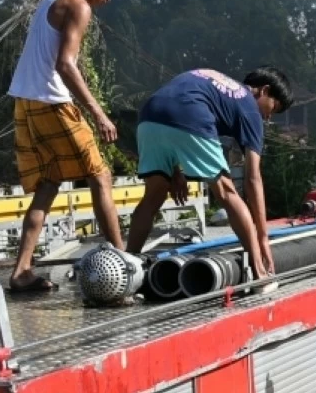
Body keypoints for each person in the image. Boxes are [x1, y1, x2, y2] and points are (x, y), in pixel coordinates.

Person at [7, 0, 136, 292]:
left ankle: (21, 271)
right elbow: (65, 64)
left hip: (25, 102)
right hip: (51, 102)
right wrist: (99, 114)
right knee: (100, 175)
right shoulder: (78, 4)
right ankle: (123, 265)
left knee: (48, 185)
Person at [124, 67, 294, 288]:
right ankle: (260, 274)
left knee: (153, 197)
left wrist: (175, 171)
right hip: (190, 116)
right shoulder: (250, 108)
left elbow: (173, 103)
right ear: (264, 90)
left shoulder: (216, 80)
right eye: (274, 107)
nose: (268, 117)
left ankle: (127, 271)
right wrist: (263, 239)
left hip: (149, 117)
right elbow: (253, 179)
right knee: (226, 192)